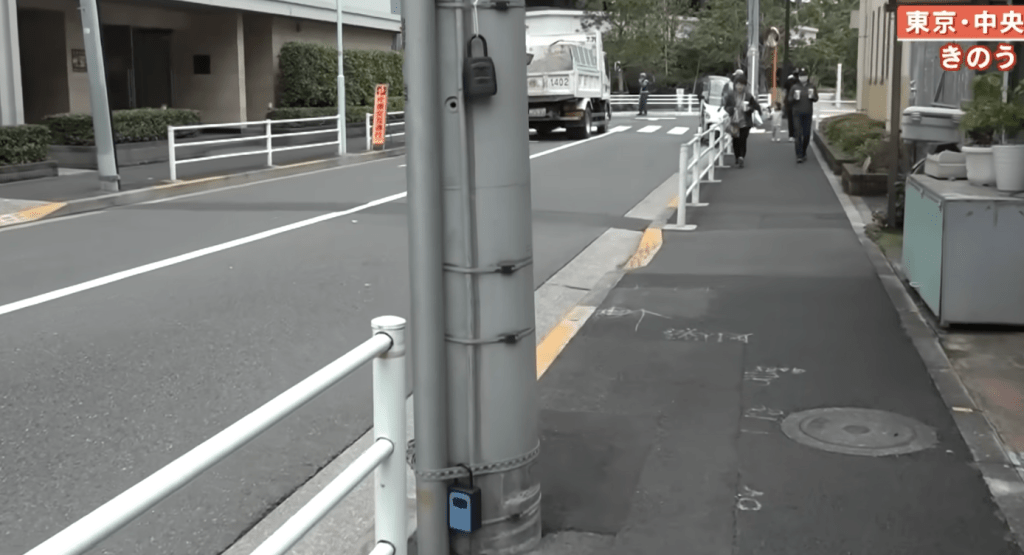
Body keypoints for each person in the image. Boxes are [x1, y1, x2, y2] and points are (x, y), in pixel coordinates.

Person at [723, 76, 762, 168]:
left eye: (741, 85)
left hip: (745, 122)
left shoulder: (748, 96)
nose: (739, 87)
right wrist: (731, 109)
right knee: (735, 140)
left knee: (743, 140)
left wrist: (749, 108)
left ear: (744, 86)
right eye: (738, 84)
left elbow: (755, 106)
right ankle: (737, 156)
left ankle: (741, 157)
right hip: (734, 121)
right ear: (735, 85)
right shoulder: (731, 95)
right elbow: (726, 107)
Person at [788, 67, 819, 163]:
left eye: (804, 76)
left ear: (807, 77)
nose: (803, 78)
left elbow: (816, 98)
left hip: (808, 113)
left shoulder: (811, 87)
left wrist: (812, 96)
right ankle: (799, 155)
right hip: (797, 113)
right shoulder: (794, 87)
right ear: (798, 77)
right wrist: (794, 98)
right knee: (798, 134)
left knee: (806, 135)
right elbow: (789, 100)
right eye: (801, 76)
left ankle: (804, 151)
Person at [782, 71, 799, 141]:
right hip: (798, 103)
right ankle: (797, 135)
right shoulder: (799, 83)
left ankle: (791, 135)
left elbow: (784, 92)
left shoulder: (787, 82)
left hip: (789, 103)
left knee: (790, 119)